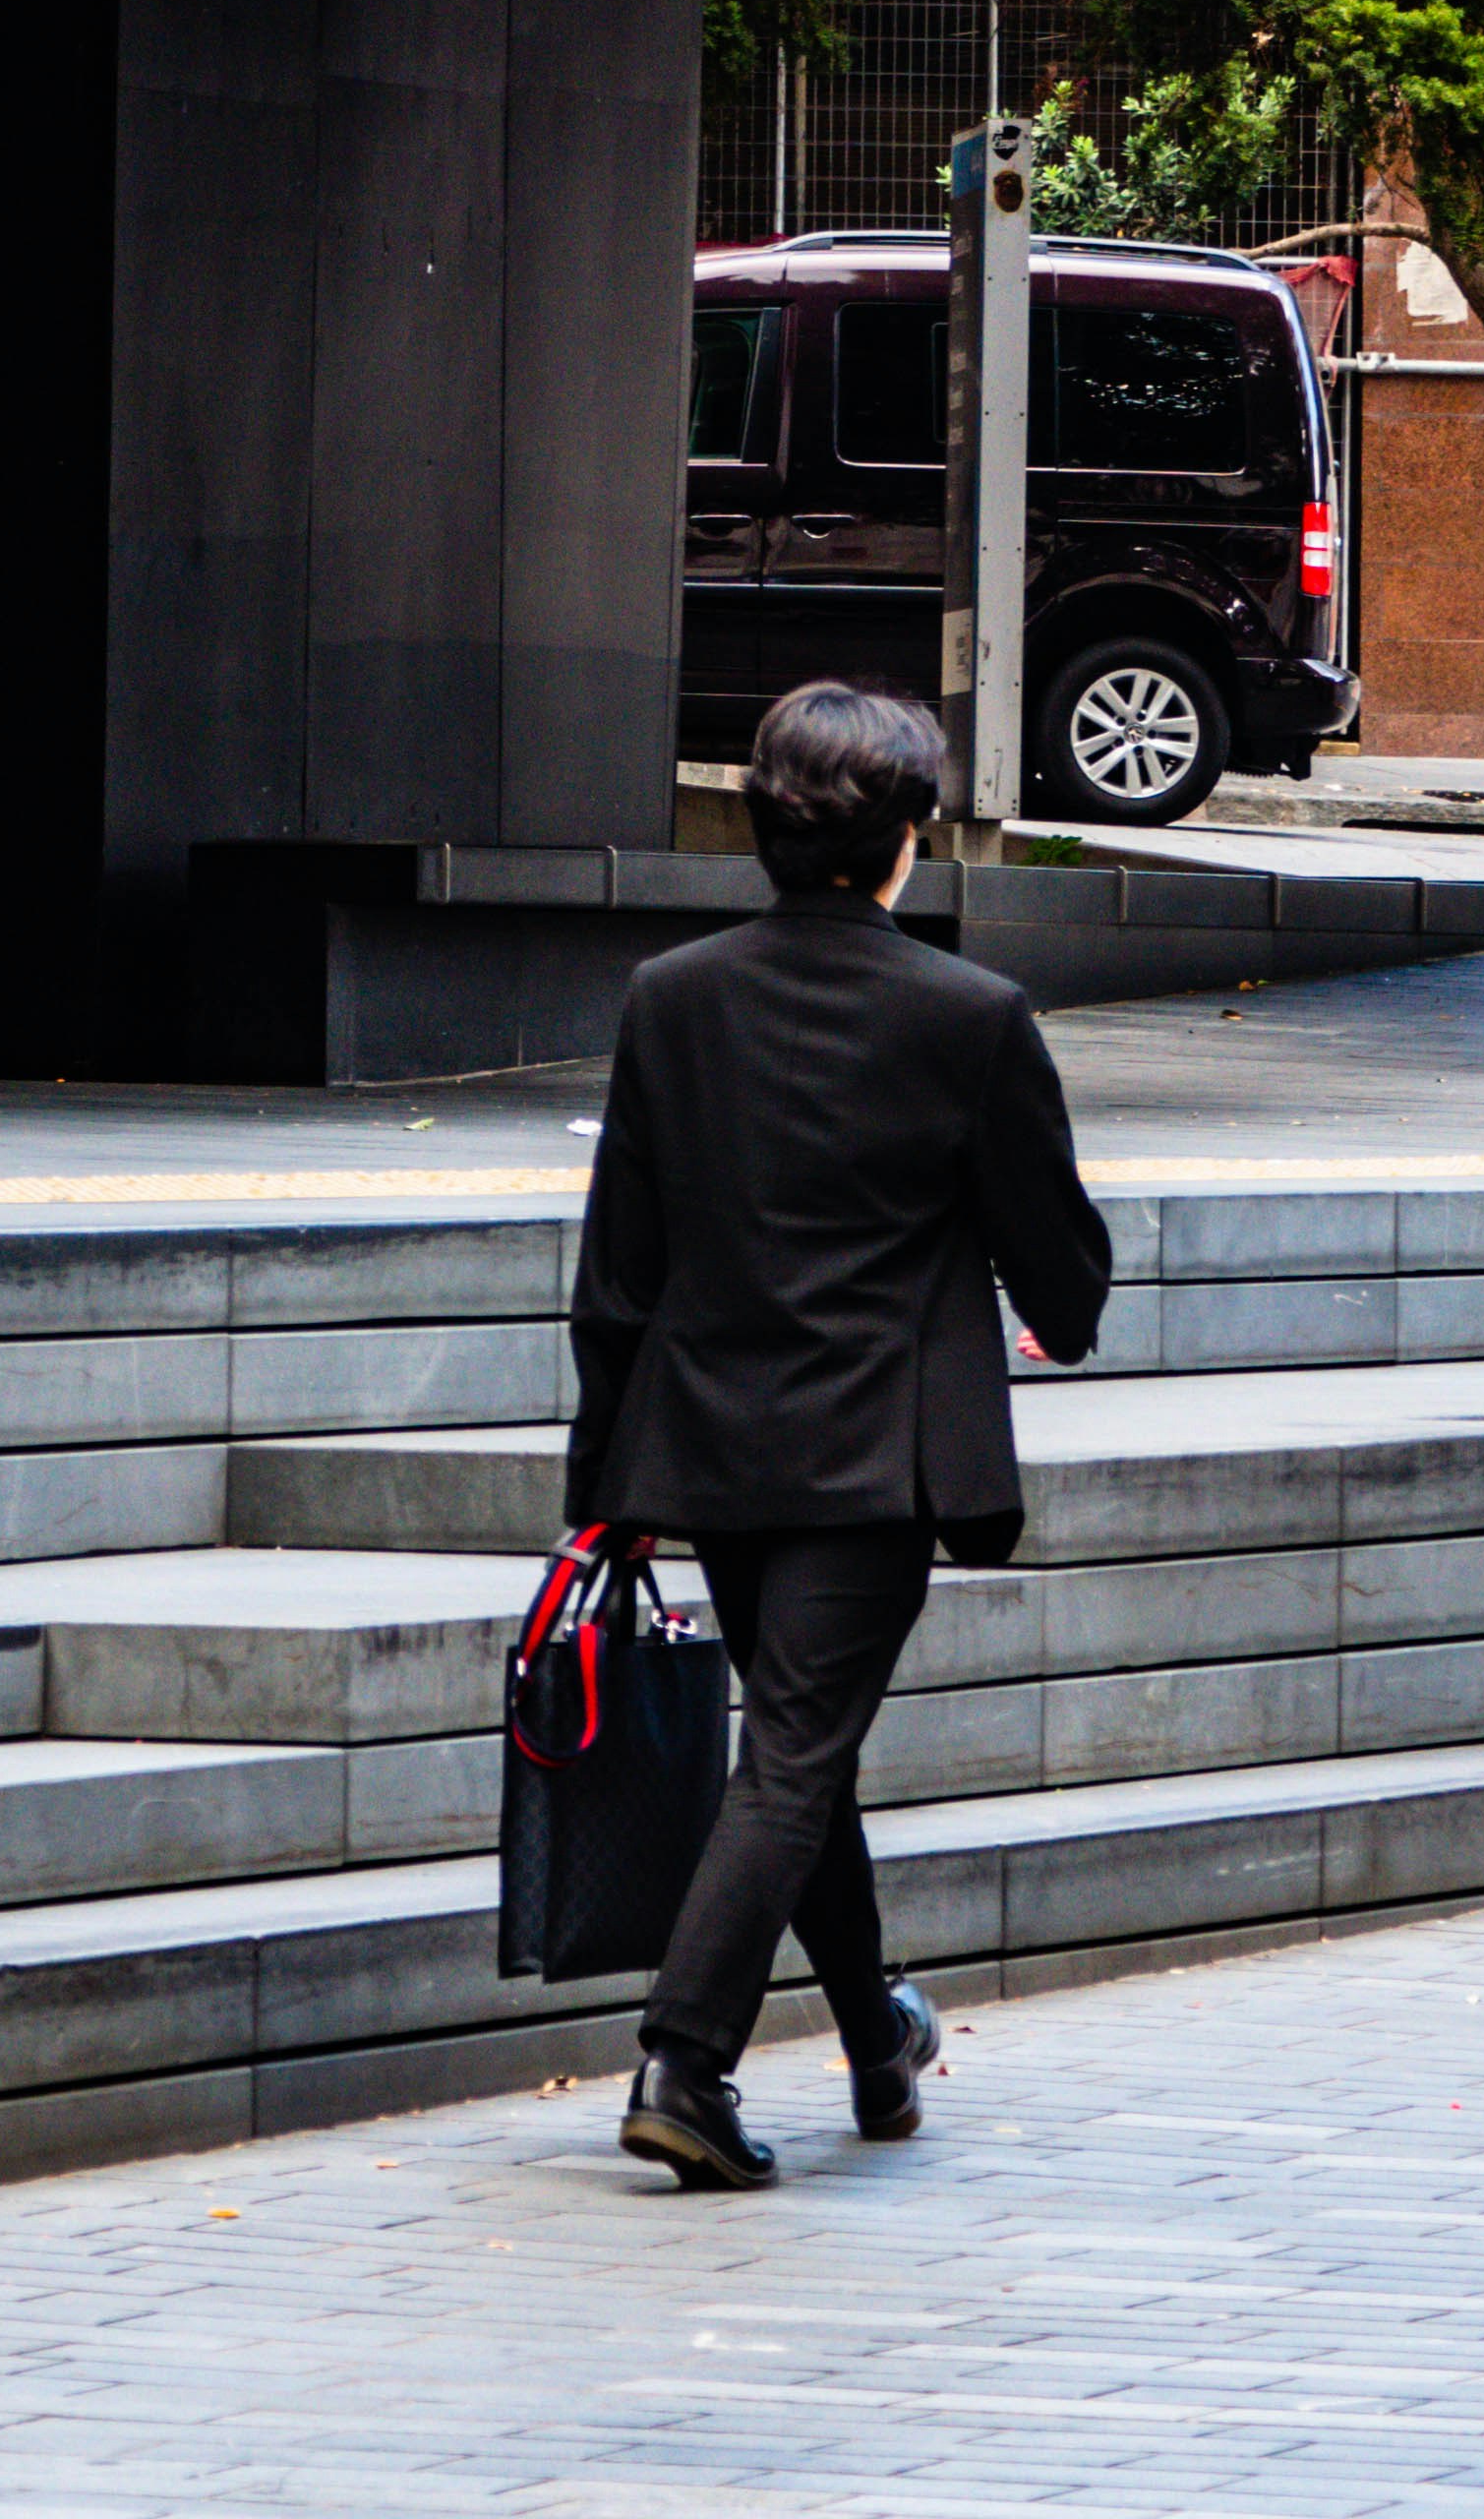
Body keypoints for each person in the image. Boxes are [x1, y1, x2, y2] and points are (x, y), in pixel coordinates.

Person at [568, 678, 1113, 2189]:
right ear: (906, 839)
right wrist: (1053, 1318)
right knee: (800, 1754)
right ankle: (684, 2063)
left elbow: (618, 1269)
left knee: (810, 1755)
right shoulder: (971, 1017)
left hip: (715, 1452)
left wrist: (601, 1479)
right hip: (879, 1458)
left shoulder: (670, 996)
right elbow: (1059, 1260)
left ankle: (877, 2039)